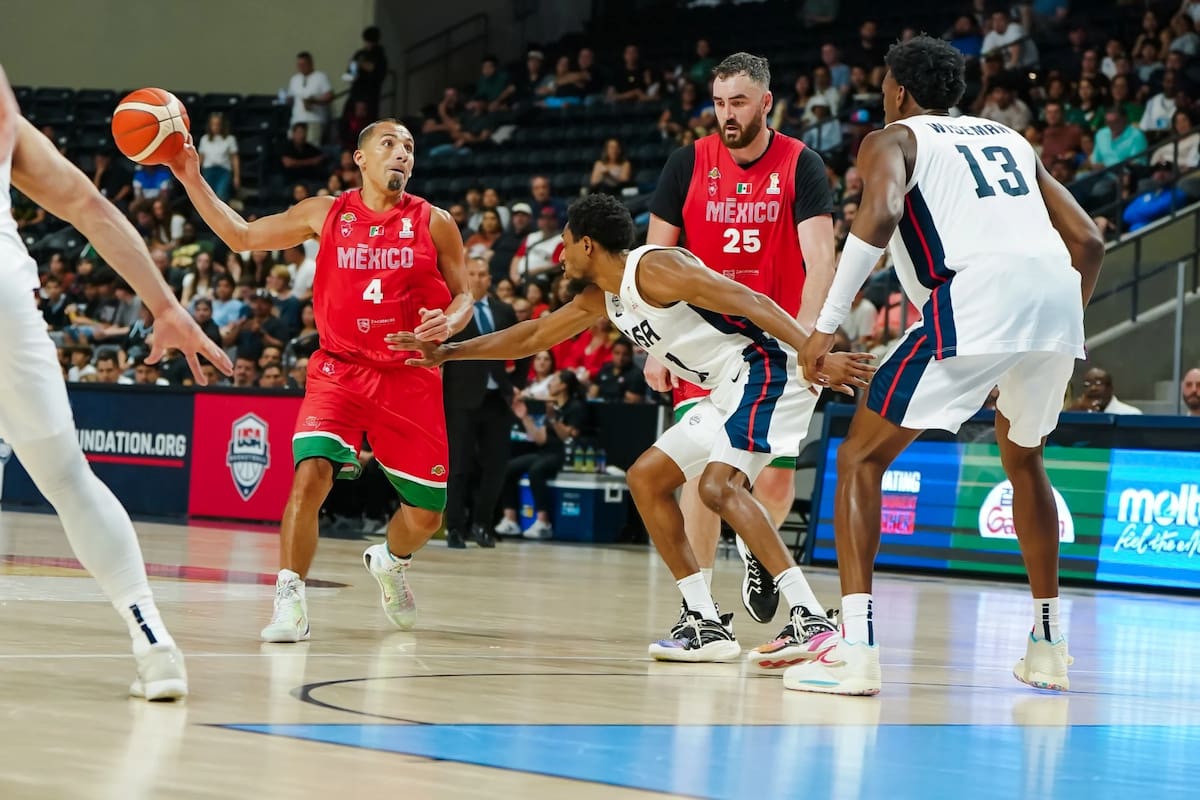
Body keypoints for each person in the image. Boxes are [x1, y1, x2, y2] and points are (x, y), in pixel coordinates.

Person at [389, 193, 874, 661]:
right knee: (647, 478)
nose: (558, 255)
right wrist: (450, 353)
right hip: (727, 386)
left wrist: (818, 354)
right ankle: (704, 622)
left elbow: (749, 299)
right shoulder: (604, 298)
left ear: (587, 245)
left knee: (717, 486)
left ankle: (812, 621)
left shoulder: (656, 268)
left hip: (767, 368)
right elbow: (533, 336)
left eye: (564, 241)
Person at [789, 36, 1104, 695]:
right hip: (1053, 301)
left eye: (883, 88)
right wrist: (1051, 324)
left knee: (858, 460)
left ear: (899, 90)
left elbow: (880, 214)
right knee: (1025, 460)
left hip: (977, 295)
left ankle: (857, 652)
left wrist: (823, 327)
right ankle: (1047, 645)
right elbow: (1090, 241)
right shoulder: (1012, 139)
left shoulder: (893, 139)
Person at [164, 119, 472, 643]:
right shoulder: (326, 212)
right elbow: (241, 236)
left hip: (409, 378)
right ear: (361, 158)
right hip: (339, 371)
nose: (401, 154)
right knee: (310, 477)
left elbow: (464, 295)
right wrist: (191, 177)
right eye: (389, 145)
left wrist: (452, 319)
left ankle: (391, 562)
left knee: (424, 519)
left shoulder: (435, 222)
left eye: (409, 148)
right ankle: (290, 599)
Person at [0, 64, 233, 699]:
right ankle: (153, 640)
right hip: (5, 296)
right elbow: (88, 206)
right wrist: (166, 307)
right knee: (70, 481)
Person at [645, 52, 837, 645]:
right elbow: (655, 261)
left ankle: (759, 548)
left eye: (739, 102)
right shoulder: (687, 163)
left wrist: (806, 343)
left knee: (774, 484)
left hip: (775, 346)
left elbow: (821, 261)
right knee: (698, 475)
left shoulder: (802, 165)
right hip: (703, 348)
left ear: (765, 103)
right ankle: (700, 613)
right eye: (720, 102)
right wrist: (657, 344)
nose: (727, 115)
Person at [442, 257, 518, 549]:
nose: (478, 277)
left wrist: (517, 384)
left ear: (490, 278)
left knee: (495, 466)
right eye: (472, 273)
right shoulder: (453, 311)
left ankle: (483, 524)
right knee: (459, 466)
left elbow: (523, 348)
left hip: (498, 398)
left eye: (483, 273)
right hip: (460, 399)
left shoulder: (504, 310)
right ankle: (455, 528)